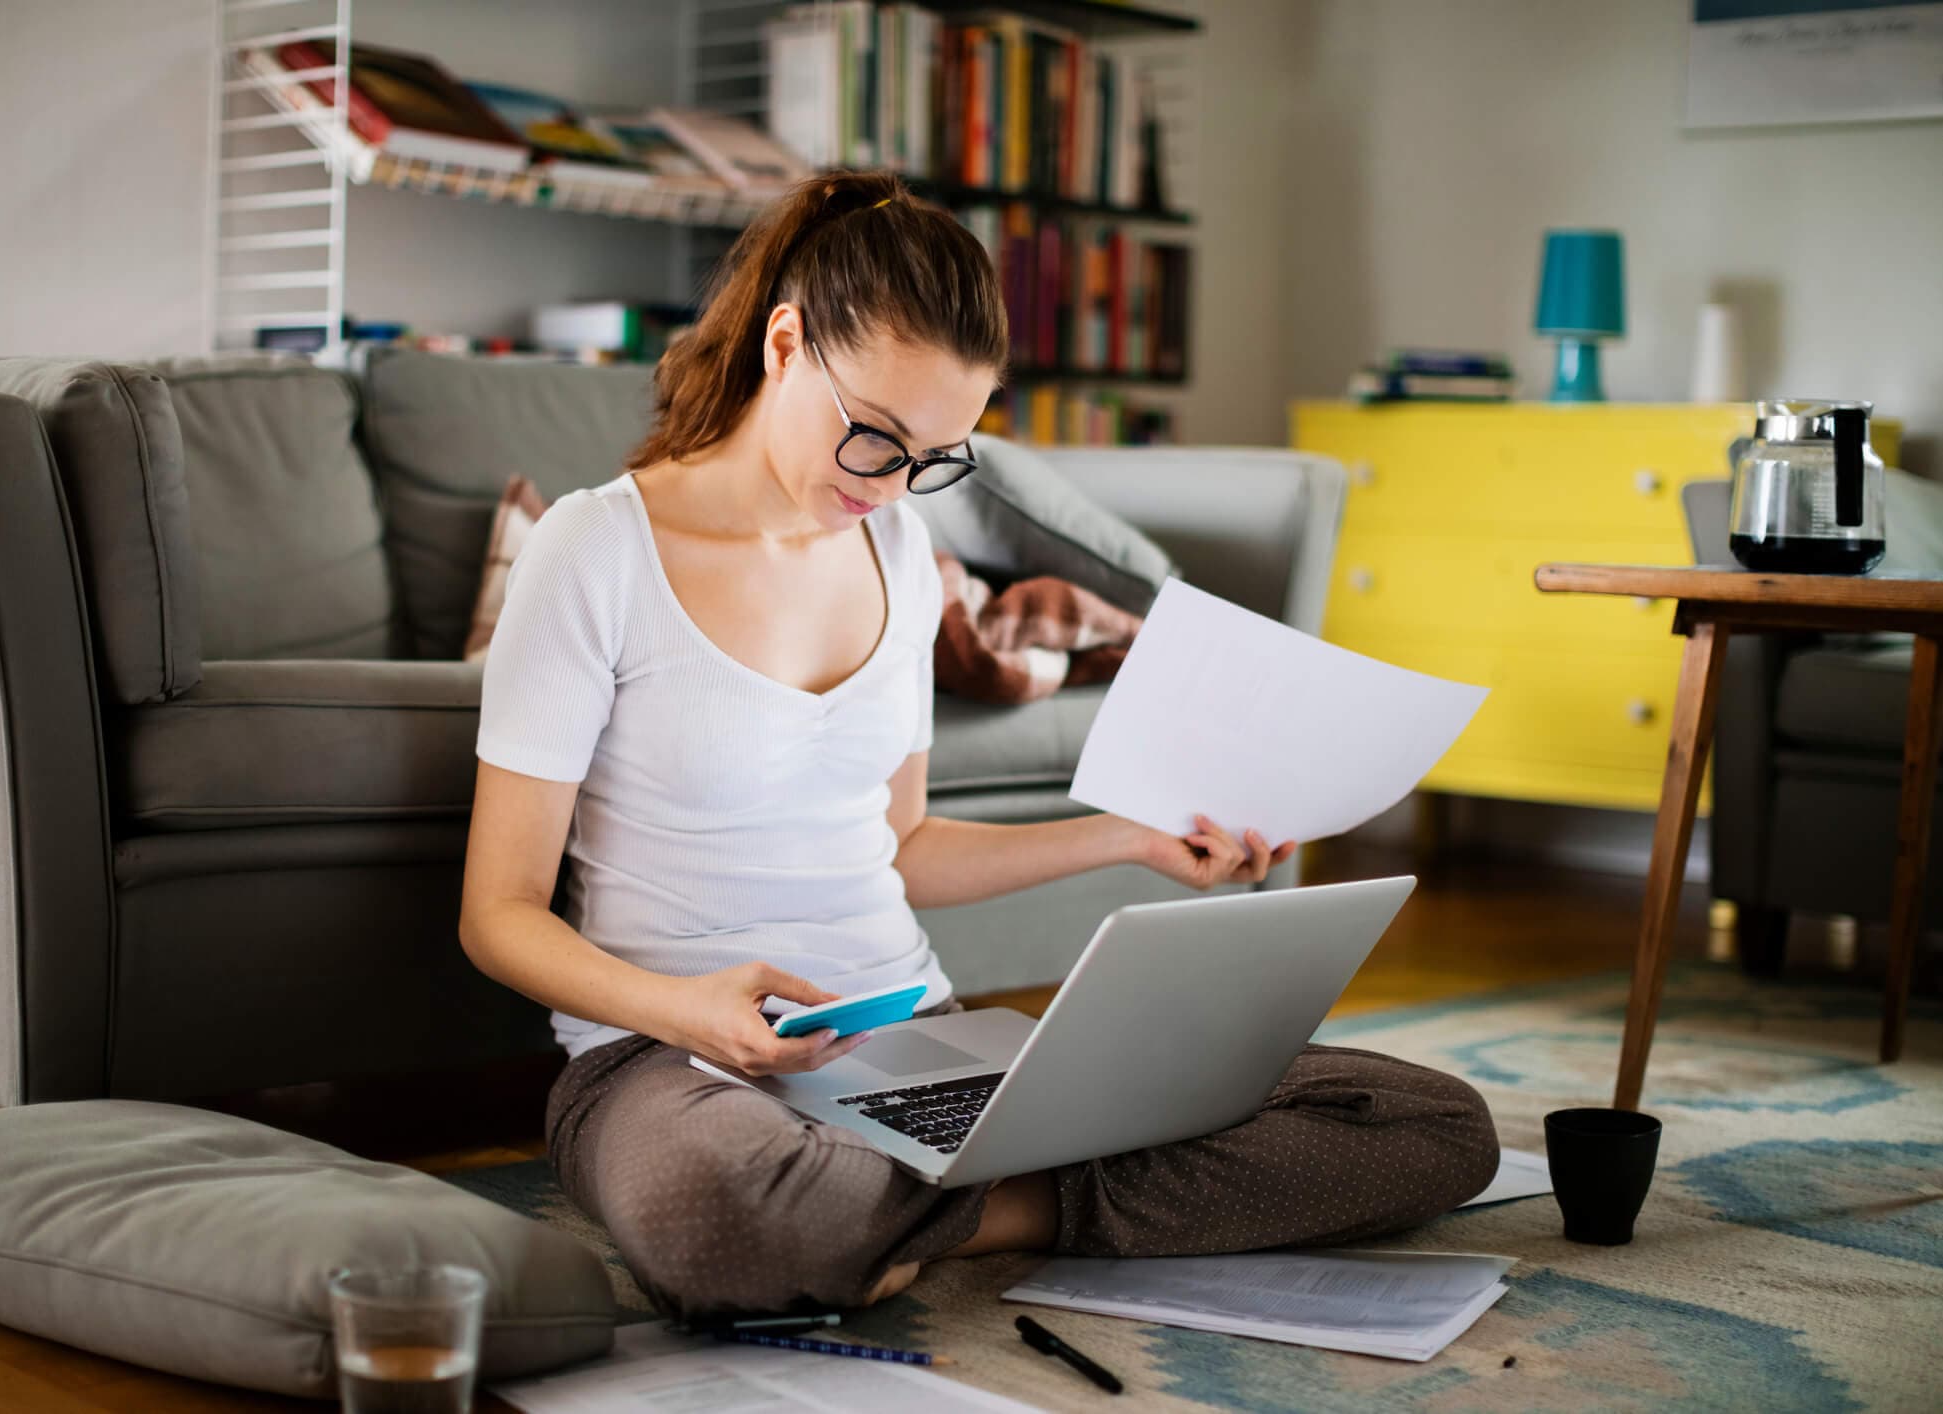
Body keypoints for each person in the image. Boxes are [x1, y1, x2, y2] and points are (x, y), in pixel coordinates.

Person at [460, 170, 1498, 1321]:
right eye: (876, 439)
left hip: (913, 1042)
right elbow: (498, 914)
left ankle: (924, 1217)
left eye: (936, 457)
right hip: (669, 1063)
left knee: (1433, 1126)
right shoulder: (596, 549)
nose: (895, 484)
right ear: (787, 342)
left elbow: (900, 845)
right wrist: (688, 1008)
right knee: (717, 1210)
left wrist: (1128, 840)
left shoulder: (899, 554)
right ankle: (1012, 1203)